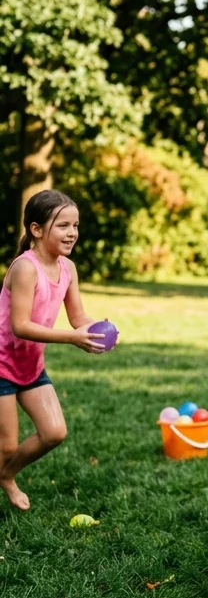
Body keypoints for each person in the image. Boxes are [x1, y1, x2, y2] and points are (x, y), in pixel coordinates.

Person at [0, 190, 106, 512]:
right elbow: (21, 325)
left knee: (54, 432)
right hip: (1, 364)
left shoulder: (67, 268)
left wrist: (97, 329)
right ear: (36, 229)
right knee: (7, 446)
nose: (72, 232)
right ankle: (6, 475)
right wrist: (72, 338)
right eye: (63, 225)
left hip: (30, 365)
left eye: (75, 225)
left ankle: (5, 475)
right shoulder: (25, 268)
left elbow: (78, 316)